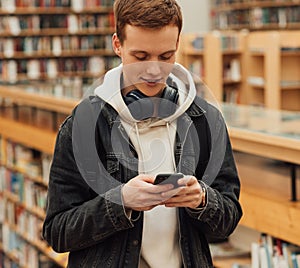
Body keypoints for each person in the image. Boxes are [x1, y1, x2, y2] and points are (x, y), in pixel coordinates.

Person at [42, 0, 243, 267]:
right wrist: (120, 202)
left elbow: (227, 222)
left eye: (165, 56)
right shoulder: (83, 125)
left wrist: (203, 200)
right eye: (140, 57)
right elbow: (58, 232)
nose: (153, 70)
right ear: (117, 45)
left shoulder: (206, 120)